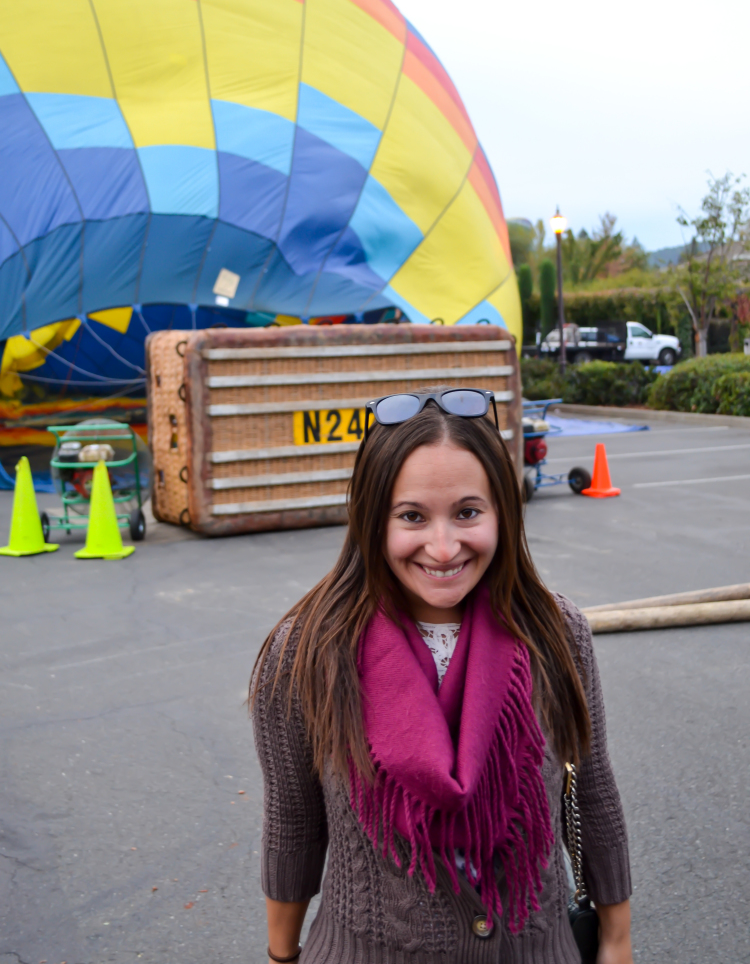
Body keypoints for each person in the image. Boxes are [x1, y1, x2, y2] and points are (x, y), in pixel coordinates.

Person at [251, 388, 633, 964]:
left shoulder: (557, 633)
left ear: (503, 510)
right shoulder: (306, 652)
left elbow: (593, 792)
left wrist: (617, 941)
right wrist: (282, 955)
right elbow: (293, 819)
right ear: (371, 519)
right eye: (412, 517)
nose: (443, 546)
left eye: (467, 512)